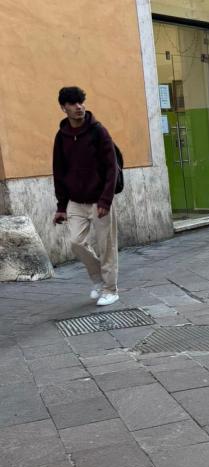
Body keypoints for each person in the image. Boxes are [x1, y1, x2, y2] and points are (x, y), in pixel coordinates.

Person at [52, 87, 119, 306]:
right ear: (63, 108)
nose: (79, 107)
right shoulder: (61, 137)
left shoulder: (98, 131)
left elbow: (112, 168)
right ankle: (99, 278)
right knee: (76, 243)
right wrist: (61, 206)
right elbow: (59, 172)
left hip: (99, 201)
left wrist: (105, 200)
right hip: (75, 202)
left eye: (81, 102)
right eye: (73, 103)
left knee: (106, 247)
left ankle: (110, 290)